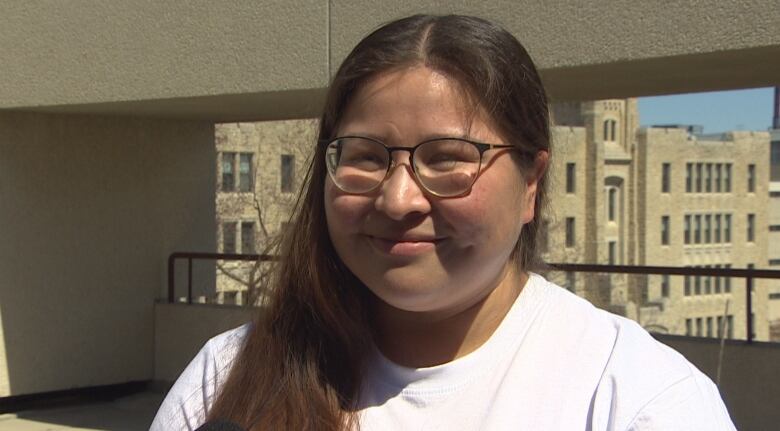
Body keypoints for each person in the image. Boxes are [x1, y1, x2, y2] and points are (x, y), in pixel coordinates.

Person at [151, 14, 736, 431]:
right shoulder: (226, 378)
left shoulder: (638, 399)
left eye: (448, 158)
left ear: (531, 183)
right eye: (364, 156)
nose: (399, 197)